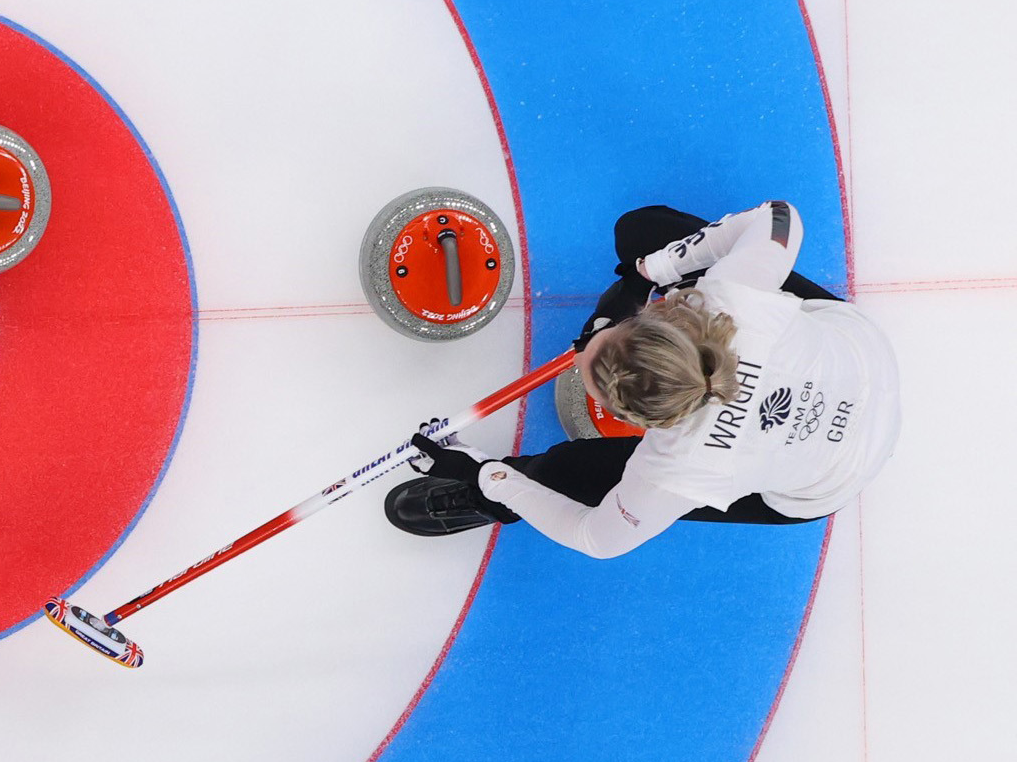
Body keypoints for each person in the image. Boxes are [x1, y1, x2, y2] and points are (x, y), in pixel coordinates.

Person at [384, 200, 900, 557]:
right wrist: (649, 269)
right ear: (656, 320)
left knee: (568, 473)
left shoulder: (677, 468)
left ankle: (488, 501)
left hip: (825, 482)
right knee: (642, 231)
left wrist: (489, 477)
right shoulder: (732, 300)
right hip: (860, 357)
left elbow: (597, 539)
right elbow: (781, 218)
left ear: (635, 420)